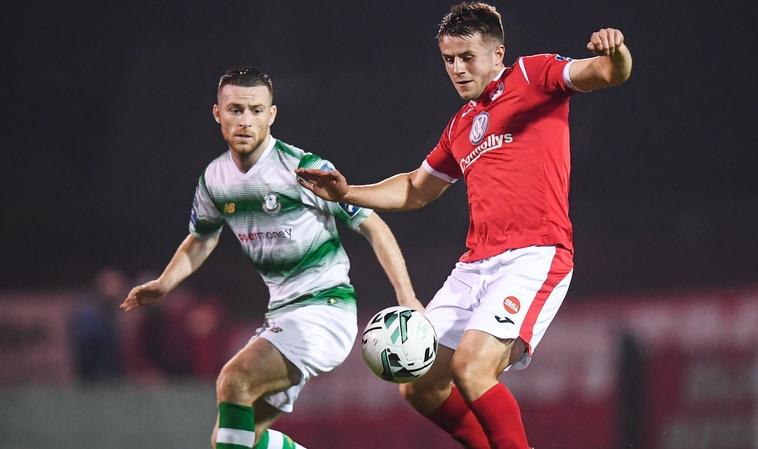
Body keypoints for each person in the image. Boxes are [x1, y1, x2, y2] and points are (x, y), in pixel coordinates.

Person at [295, 3, 632, 449]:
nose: (456, 68)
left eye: (466, 57)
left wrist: (617, 50)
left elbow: (609, 72)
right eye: (449, 60)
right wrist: (347, 193)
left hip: (534, 255)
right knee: (418, 383)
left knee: (472, 367)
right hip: (475, 265)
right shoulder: (461, 125)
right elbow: (416, 189)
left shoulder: (533, 75)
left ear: (498, 54)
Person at [120, 66, 422, 449]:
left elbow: (372, 225)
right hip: (281, 314)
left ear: (271, 114)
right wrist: (164, 284)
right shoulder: (215, 180)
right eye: (235, 110)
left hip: (325, 309)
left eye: (256, 110)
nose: (245, 121)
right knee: (235, 438)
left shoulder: (304, 169)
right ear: (218, 113)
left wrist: (407, 297)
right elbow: (201, 240)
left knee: (234, 379)